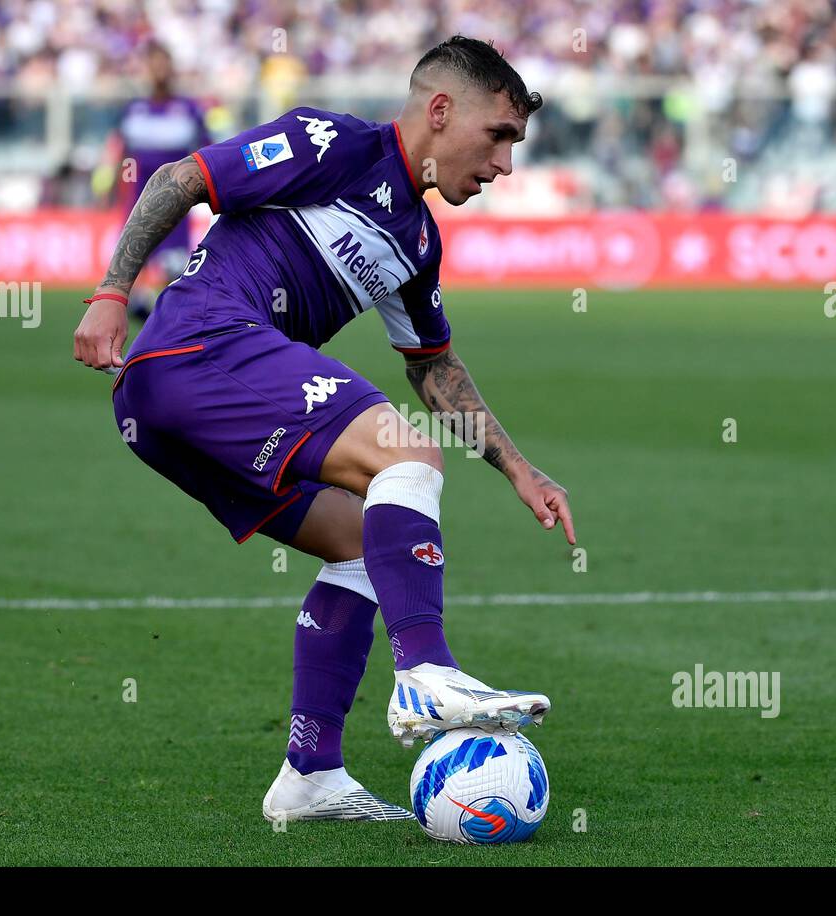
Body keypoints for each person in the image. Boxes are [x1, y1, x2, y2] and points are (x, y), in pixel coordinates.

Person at [73, 36, 575, 823]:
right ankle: (427, 670)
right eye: (499, 135)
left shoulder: (416, 243)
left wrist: (518, 467)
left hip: (172, 408)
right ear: (440, 111)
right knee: (405, 453)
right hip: (198, 347)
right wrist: (110, 291)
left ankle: (310, 774)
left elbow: (433, 368)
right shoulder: (333, 145)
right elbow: (182, 178)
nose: (505, 163)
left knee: (364, 545)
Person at [97, 41, 209, 319]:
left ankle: (169, 309)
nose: (159, 71)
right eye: (153, 64)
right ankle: (138, 301)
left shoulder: (189, 109)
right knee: (135, 247)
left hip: (178, 195)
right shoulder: (134, 109)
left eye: (163, 64)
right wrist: (110, 183)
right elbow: (120, 149)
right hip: (137, 192)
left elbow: (207, 150)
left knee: (174, 263)